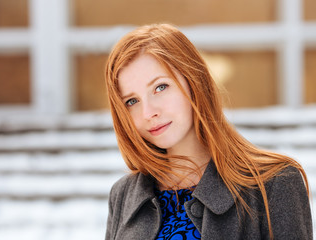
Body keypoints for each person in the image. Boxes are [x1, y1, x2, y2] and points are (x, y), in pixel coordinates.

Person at [104, 23, 312, 240]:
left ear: (194, 82)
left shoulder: (275, 184)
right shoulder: (124, 195)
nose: (148, 112)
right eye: (132, 101)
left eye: (160, 87)